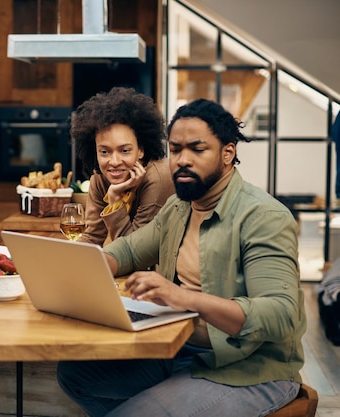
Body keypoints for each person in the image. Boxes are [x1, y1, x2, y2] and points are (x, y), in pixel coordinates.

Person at [57, 99, 306, 417]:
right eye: (175, 149)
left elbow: (280, 315)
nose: (182, 160)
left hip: (247, 369)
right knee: (76, 376)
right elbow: (130, 250)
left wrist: (182, 297)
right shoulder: (179, 208)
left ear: (227, 154)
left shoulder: (264, 216)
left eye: (197, 149)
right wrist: (92, 265)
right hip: (179, 350)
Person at [72, 86, 174, 246]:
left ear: (141, 150)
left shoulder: (157, 178)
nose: (114, 161)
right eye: (104, 152)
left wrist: (114, 200)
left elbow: (136, 252)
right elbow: (92, 238)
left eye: (124, 150)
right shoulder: (100, 179)